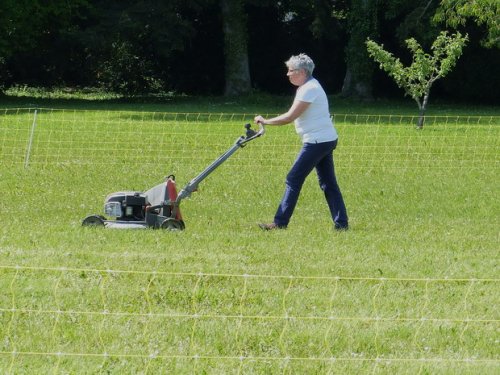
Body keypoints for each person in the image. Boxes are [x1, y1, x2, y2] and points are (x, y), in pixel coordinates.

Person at [254, 53, 348, 231]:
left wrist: (265, 121)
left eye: (291, 71)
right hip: (325, 139)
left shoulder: (309, 89)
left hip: (317, 142)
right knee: (328, 183)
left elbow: (289, 117)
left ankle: (279, 223)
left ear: (302, 72)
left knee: (293, 179)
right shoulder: (308, 86)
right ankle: (341, 224)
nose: (288, 74)